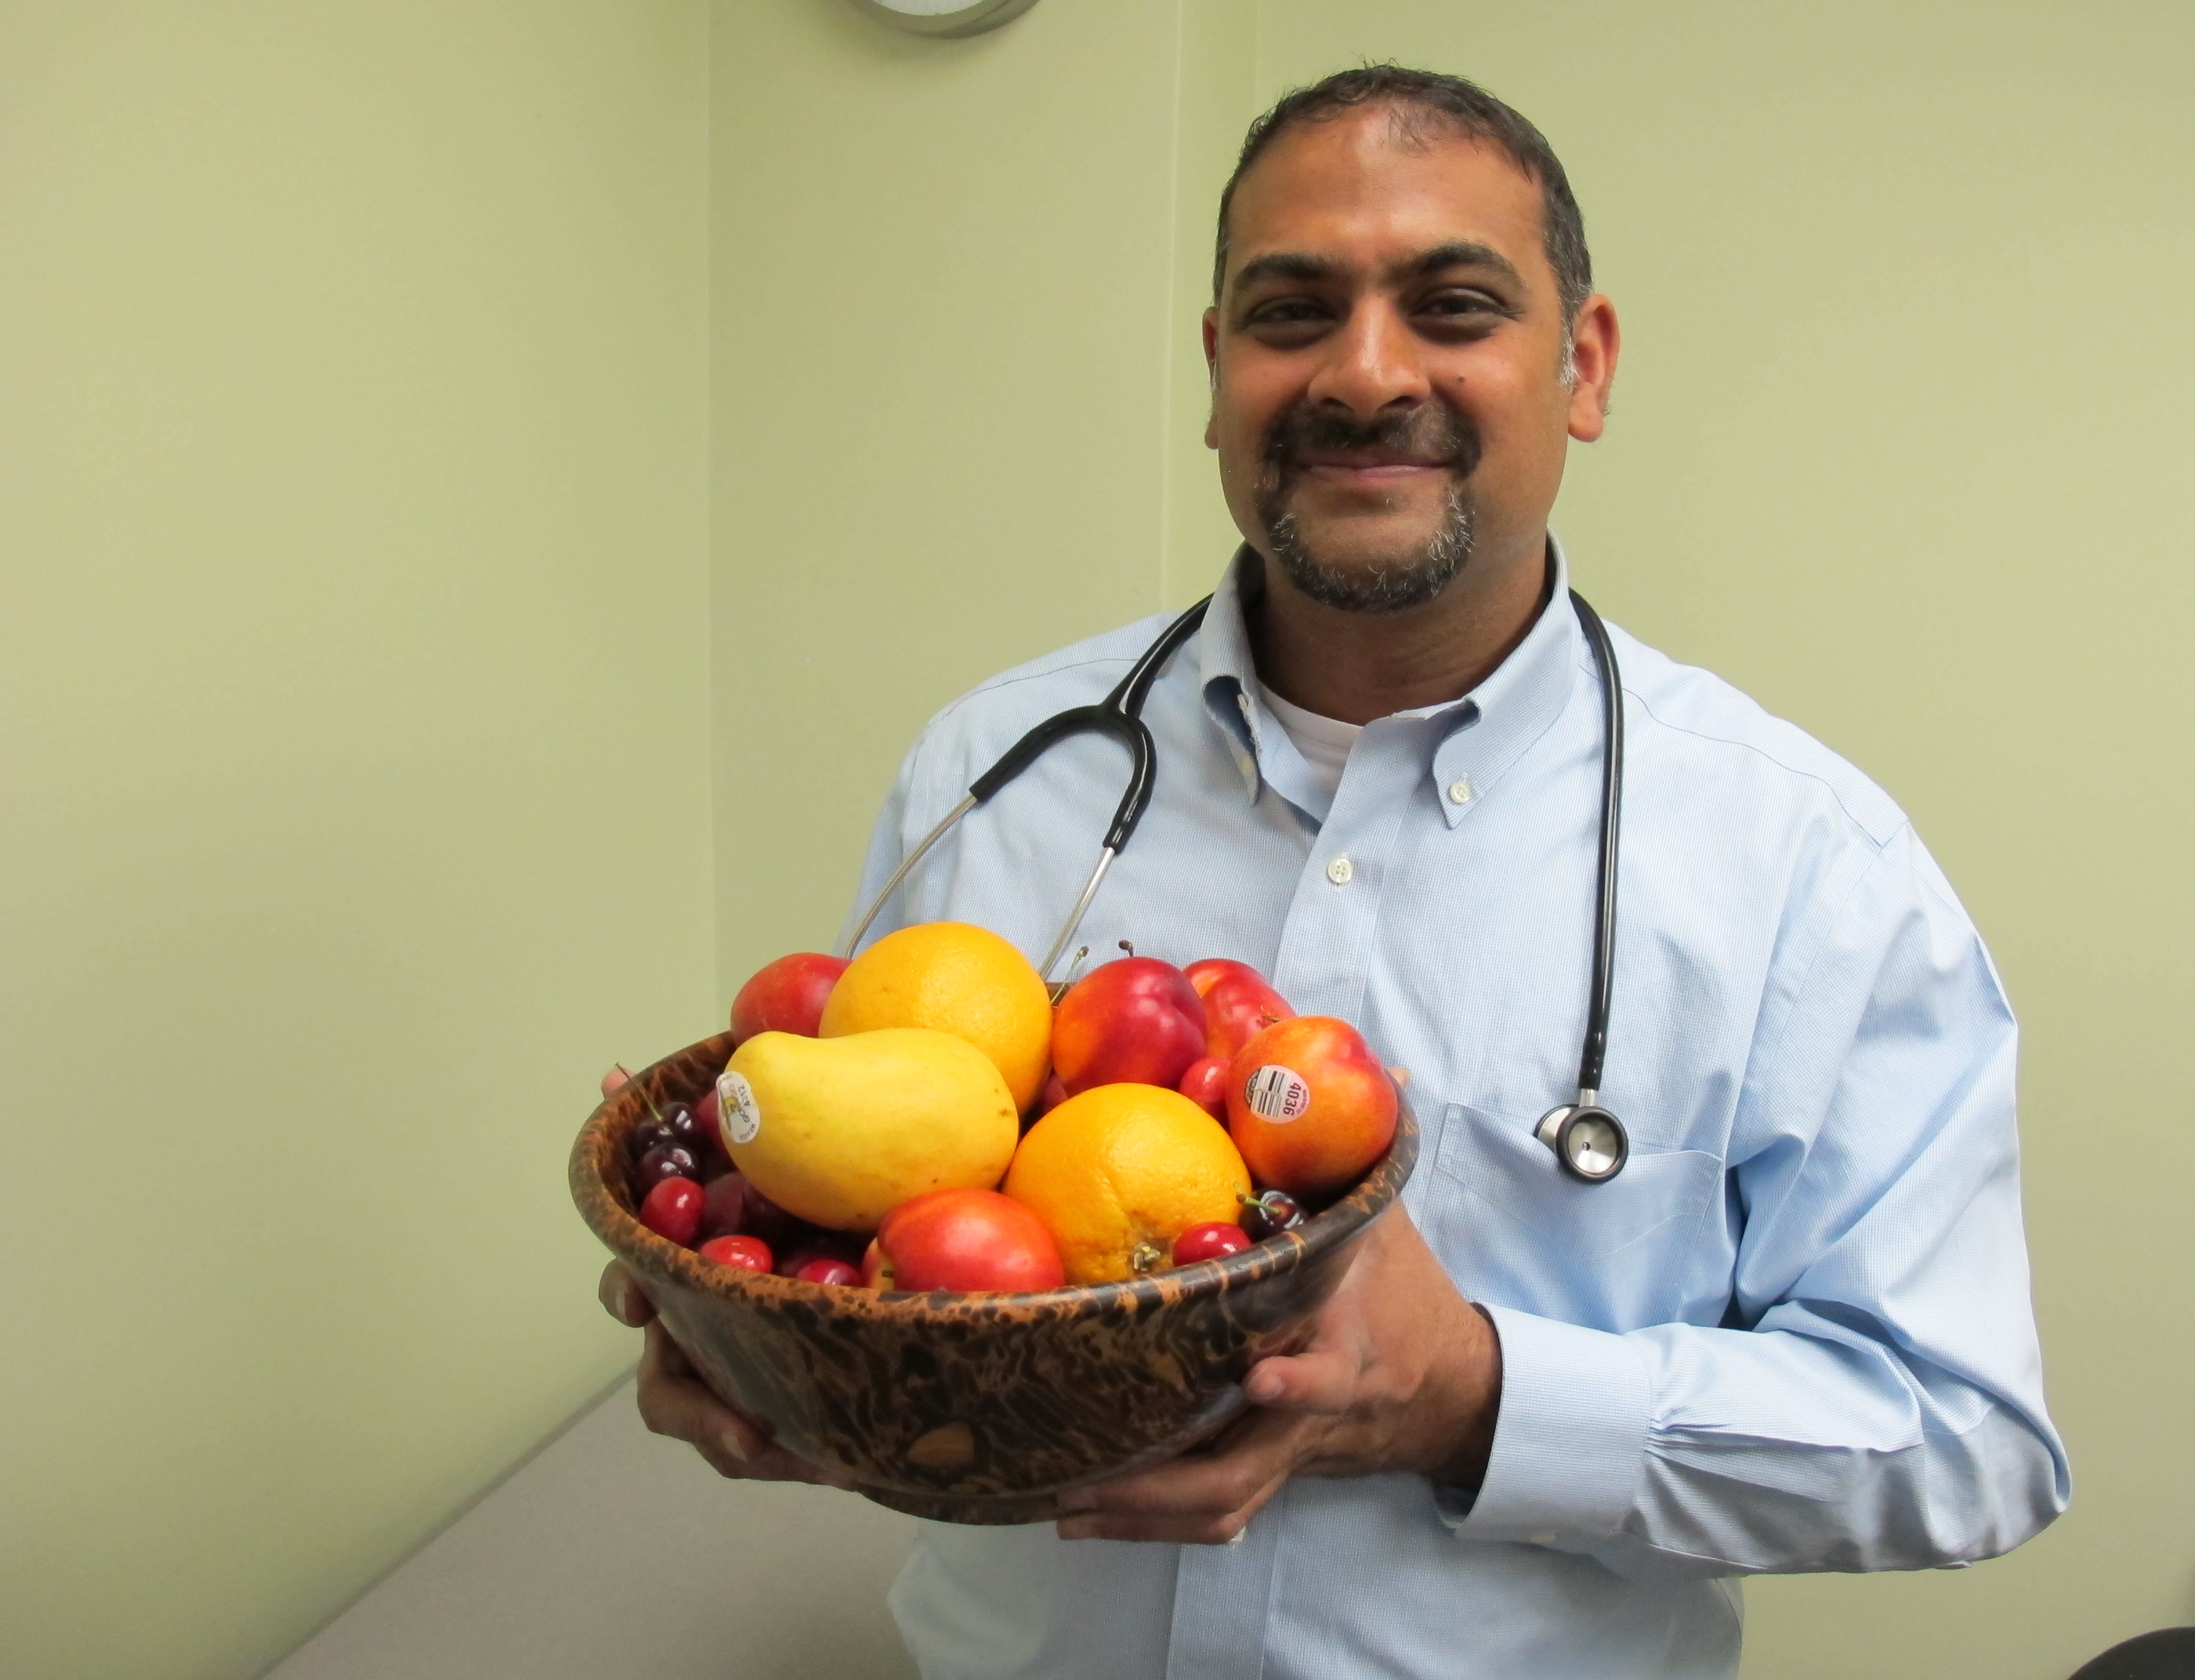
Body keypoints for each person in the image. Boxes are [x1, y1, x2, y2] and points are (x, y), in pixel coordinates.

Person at [600, 65, 2068, 1680]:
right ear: (1217, 369)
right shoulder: (996, 772)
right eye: (1293, 312)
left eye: (1454, 306)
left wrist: (1479, 1399)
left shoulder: (1802, 864)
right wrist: (763, 1341)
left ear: (1582, 366)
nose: (1366, 375)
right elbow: (863, 1217)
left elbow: (1961, 1437)